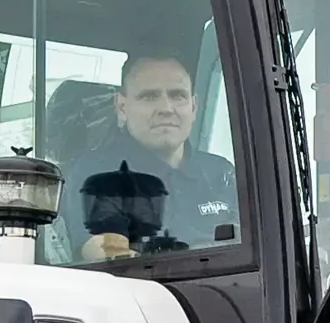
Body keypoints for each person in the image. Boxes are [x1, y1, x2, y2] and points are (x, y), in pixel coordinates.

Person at [75, 50, 242, 261]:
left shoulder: (221, 173)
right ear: (122, 107)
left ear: (193, 107)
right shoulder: (97, 175)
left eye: (178, 96)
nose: (166, 108)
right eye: (149, 97)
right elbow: (107, 255)